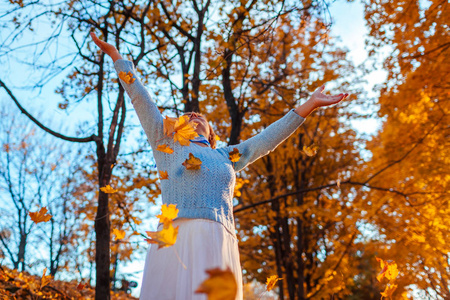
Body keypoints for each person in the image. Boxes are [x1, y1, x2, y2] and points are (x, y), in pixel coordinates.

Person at [90, 32, 348, 300]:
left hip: (218, 238)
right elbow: (139, 97)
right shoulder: (166, 146)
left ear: (212, 133)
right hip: (177, 236)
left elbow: (267, 139)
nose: (192, 115)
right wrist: (116, 56)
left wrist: (310, 104)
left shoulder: (227, 156)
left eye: (198, 115)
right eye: (186, 115)